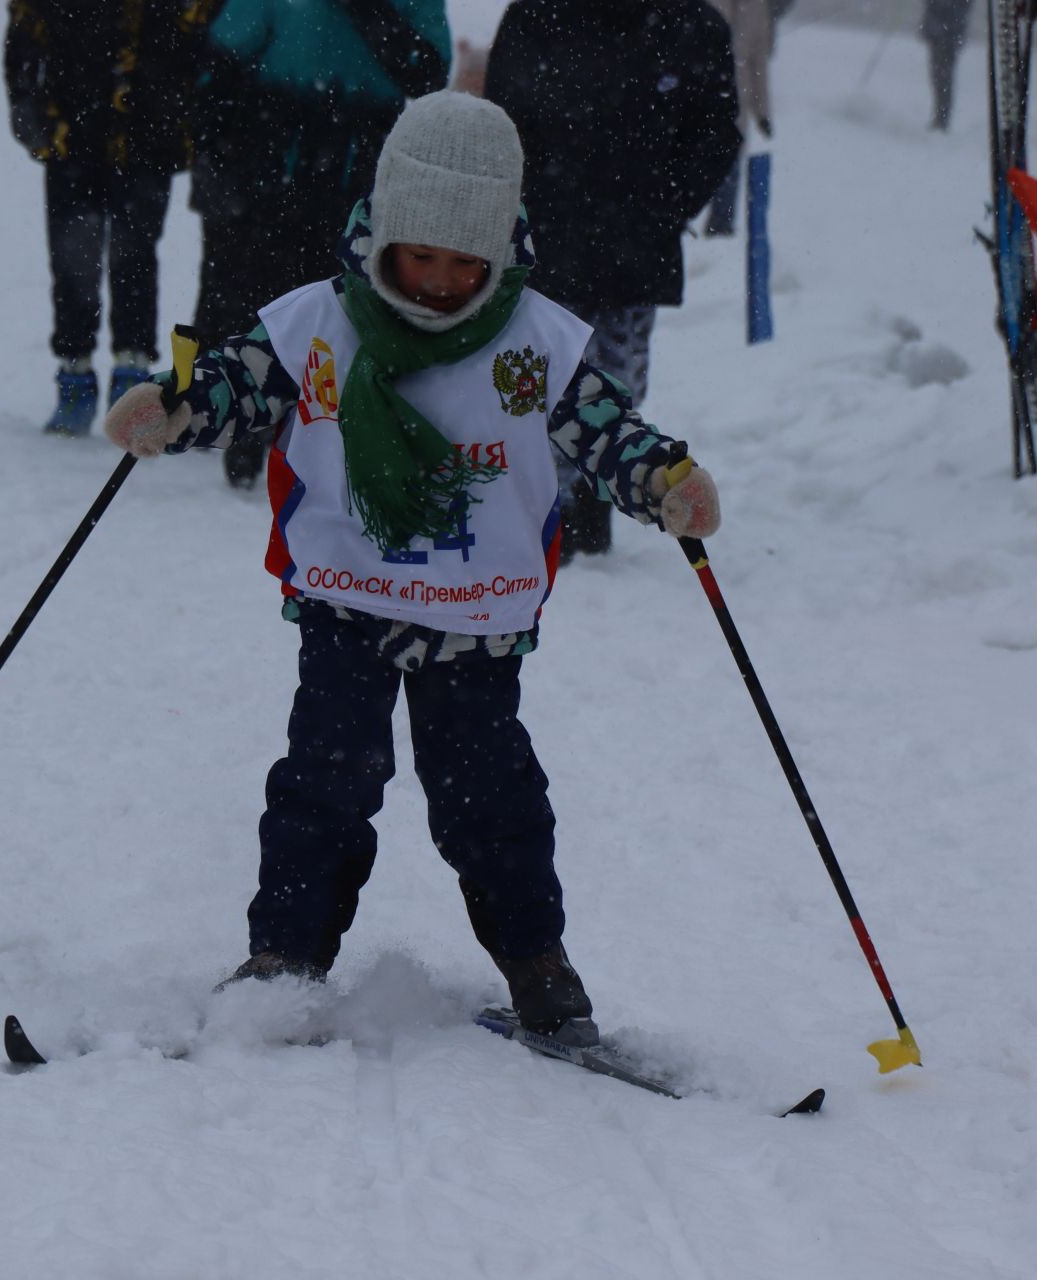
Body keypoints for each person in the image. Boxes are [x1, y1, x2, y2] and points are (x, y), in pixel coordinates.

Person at [100, 92, 724, 1041]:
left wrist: (662, 481)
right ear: (383, 233)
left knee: (491, 798)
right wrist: (177, 408)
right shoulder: (317, 322)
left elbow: (607, 429)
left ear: (499, 248)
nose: (437, 281)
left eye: (462, 261)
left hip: (477, 613)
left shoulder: (537, 342)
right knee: (324, 782)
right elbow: (234, 379)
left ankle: (536, 964)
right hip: (347, 596)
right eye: (419, 255)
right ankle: (285, 959)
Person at [485, 0, 739, 559]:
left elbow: (717, 133)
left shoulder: (689, 23)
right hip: (545, 239)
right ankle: (542, 508)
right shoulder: (538, 14)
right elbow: (500, 119)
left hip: (634, 246)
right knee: (531, 380)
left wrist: (663, 204)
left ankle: (596, 506)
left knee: (618, 378)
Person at [195, 0, 449, 487]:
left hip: (362, 154)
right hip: (275, 147)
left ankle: (324, 427)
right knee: (262, 294)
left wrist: (371, 13)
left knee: (343, 301)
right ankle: (249, 421)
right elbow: (225, 54)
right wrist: (218, 145)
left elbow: (427, 71)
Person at [4, 1, 195, 435]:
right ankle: (75, 375)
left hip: (149, 136)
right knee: (73, 259)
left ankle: (132, 380)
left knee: (136, 256)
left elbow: (199, 42)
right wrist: (31, 111)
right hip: (70, 134)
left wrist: (184, 121)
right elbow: (24, 39)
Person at [702, 0, 776, 237]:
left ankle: (720, 226)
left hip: (735, 104)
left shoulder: (756, 8)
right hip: (698, 98)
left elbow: (758, 63)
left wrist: (762, 112)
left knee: (729, 163)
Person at [920, 0, 974, 131]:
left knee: (944, 76)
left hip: (949, 32)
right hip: (940, 30)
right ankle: (941, 116)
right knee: (938, 75)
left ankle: (942, 118)